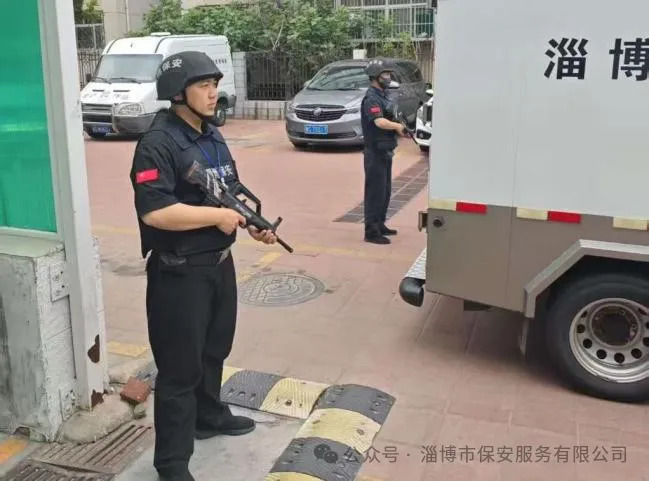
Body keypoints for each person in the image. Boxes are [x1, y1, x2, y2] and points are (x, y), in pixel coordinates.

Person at [129, 50, 277, 481]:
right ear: (178, 93)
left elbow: (229, 190)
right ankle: (172, 464)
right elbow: (155, 213)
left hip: (218, 266)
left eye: (215, 85)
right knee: (179, 369)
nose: (214, 94)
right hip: (179, 273)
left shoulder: (211, 134)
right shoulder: (157, 144)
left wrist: (252, 224)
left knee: (215, 350)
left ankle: (208, 416)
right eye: (204, 86)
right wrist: (217, 216)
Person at [360, 59, 406, 245]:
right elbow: (379, 122)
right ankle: (371, 232)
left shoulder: (383, 95)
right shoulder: (371, 98)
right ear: (375, 77)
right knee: (375, 193)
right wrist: (397, 127)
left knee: (385, 191)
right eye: (384, 74)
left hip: (385, 150)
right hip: (375, 152)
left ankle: (380, 224)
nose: (388, 77)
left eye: (388, 74)